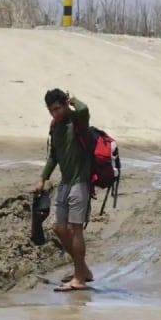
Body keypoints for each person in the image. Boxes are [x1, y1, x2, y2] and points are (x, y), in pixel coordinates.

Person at [35, 88, 95, 291]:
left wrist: (73, 100)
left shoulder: (77, 121)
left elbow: (84, 108)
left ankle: (79, 279)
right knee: (59, 228)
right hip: (65, 182)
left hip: (81, 181)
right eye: (51, 110)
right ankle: (83, 269)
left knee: (75, 229)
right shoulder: (55, 127)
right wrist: (43, 177)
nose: (55, 113)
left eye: (58, 109)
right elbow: (53, 155)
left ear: (65, 105)